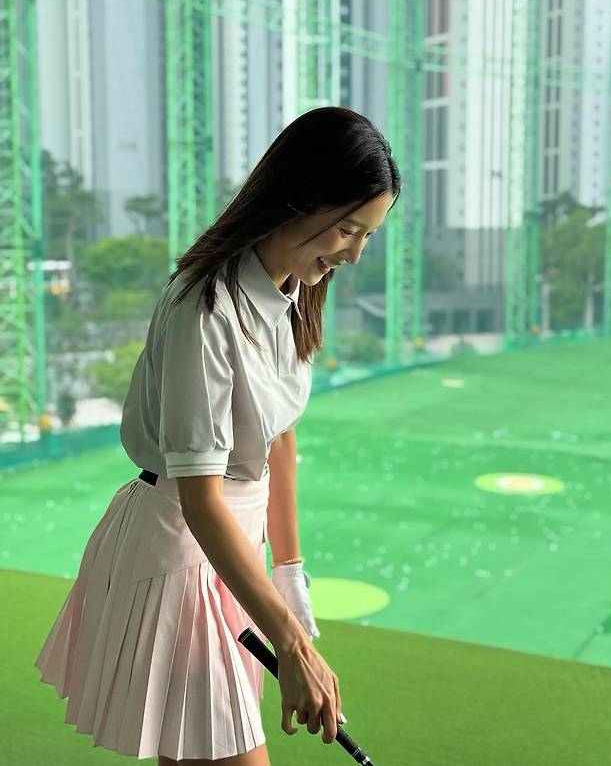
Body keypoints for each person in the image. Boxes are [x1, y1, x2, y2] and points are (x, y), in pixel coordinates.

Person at [33, 105, 401, 765]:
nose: (354, 253)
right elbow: (201, 500)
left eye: (367, 235)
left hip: (235, 559)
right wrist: (291, 643)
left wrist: (288, 578)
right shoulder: (203, 307)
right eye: (348, 229)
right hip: (181, 557)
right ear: (298, 199)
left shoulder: (293, 293)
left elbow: (278, 441)